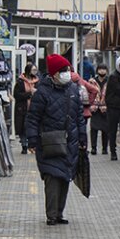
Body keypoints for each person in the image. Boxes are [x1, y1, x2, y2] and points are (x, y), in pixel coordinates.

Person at [24, 54, 87, 225]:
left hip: (70, 141)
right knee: (53, 177)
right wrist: (32, 140)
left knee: (65, 176)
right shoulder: (42, 92)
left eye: (67, 69)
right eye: (63, 70)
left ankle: (59, 213)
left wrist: (82, 136)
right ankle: (51, 214)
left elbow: (79, 116)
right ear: (53, 74)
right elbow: (33, 118)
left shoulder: (73, 89)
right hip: (49, 142)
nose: (67, 73)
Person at [13, 63, 39, 154]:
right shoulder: (20, 82)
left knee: (32, 127)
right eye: (33, 70)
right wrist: (29, 94)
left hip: (34, 108)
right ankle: (24, 145)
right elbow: (16, 95)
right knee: (22, 128)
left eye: (36, 70)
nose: (35, 72)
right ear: (28, 70)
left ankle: (32, 145)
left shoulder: (37, 81)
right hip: (22, 108)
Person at [89, 63, 109, 155]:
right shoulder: (92, 81)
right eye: (100, 69)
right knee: (94, 128)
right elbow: (89, 93)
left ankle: (104, 148)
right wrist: (90, 105)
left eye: (104, 69)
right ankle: (93, 148)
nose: (102, 71)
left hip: (106, 108)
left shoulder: (109, 81)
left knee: (105, 129)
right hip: (95, 108)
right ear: (97, 70)